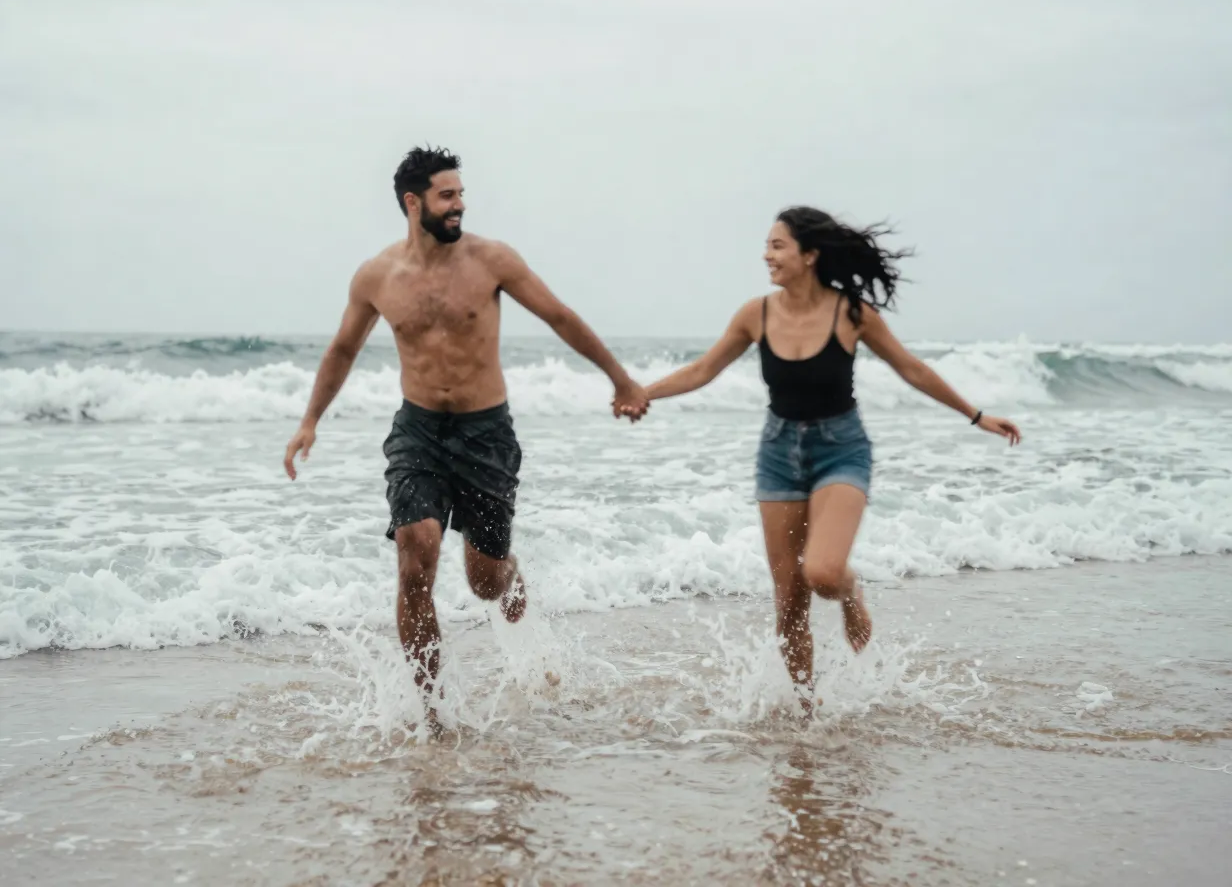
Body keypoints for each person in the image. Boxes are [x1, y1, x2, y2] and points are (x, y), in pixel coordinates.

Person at [283, 146, 649, 731]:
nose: (459, 206)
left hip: (486, 433)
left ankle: (509, 573)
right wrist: (310, 421)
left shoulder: (492, 260)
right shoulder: (377, 276)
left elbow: (560, 316)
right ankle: (433, 713)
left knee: (485, 582)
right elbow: (343, 349)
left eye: (460, 194)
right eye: (447, 196)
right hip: (418, 430)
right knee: (415, 552)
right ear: (413, 202)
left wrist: (620, 378)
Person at [645, 206, 1021, 715]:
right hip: (778, 454)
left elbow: (910, 368)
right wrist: (639, 393)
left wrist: (976, 415)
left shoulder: (852, 314)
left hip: (841, 450)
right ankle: (806, 712)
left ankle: (850, 591)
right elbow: (702, 370)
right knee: (790, 603)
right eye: (767, 245)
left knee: (822, 573)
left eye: (778, 246)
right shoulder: (754, 314)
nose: (767, 255)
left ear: (810, 255)